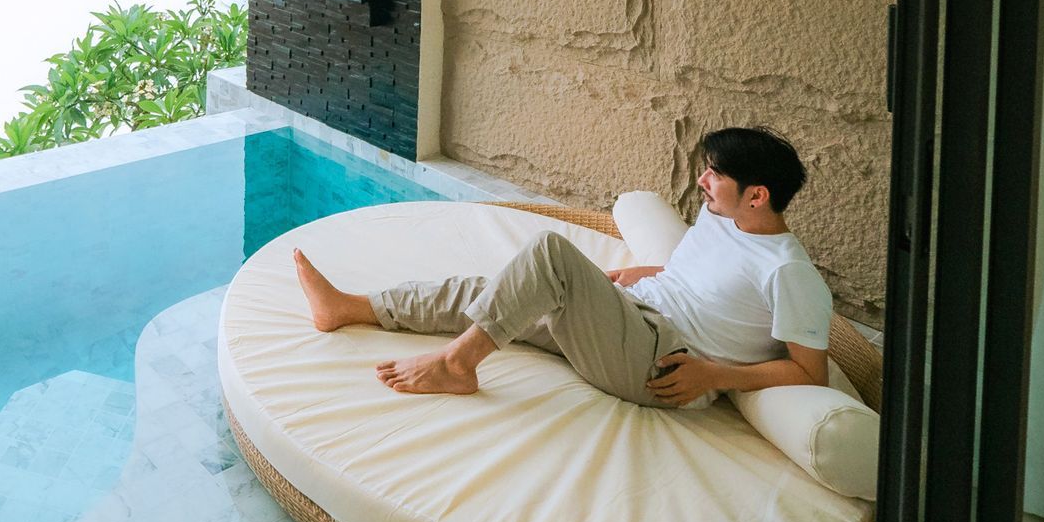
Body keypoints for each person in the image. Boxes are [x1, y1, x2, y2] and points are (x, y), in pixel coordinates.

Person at [292, 127, 835, 408]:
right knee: (498, 291)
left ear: (758, 195)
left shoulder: (790, 273)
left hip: (663, 367)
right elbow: (696, 278)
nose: (702, 182)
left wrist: (715, 375)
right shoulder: (723, 217)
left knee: (550, 254)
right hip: (634, 319)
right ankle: (349, 308)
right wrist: (635, 276)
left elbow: (811, 372)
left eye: (714, 175)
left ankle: (457, 365)